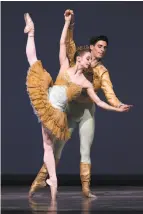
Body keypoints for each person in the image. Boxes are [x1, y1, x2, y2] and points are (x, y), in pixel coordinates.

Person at [26, 10, 131, 199]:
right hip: (66, 110)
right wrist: (70, 23)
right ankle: (40, 180)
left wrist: (118, 105)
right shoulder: (75, 60)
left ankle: (84, 188)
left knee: (82, 149)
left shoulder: (98, 74)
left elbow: (107, 95)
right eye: (99, 46)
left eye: (105, 47)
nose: (102, 50)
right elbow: (66, 44)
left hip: (85, 112)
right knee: (54, 147)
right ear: (89, 49)